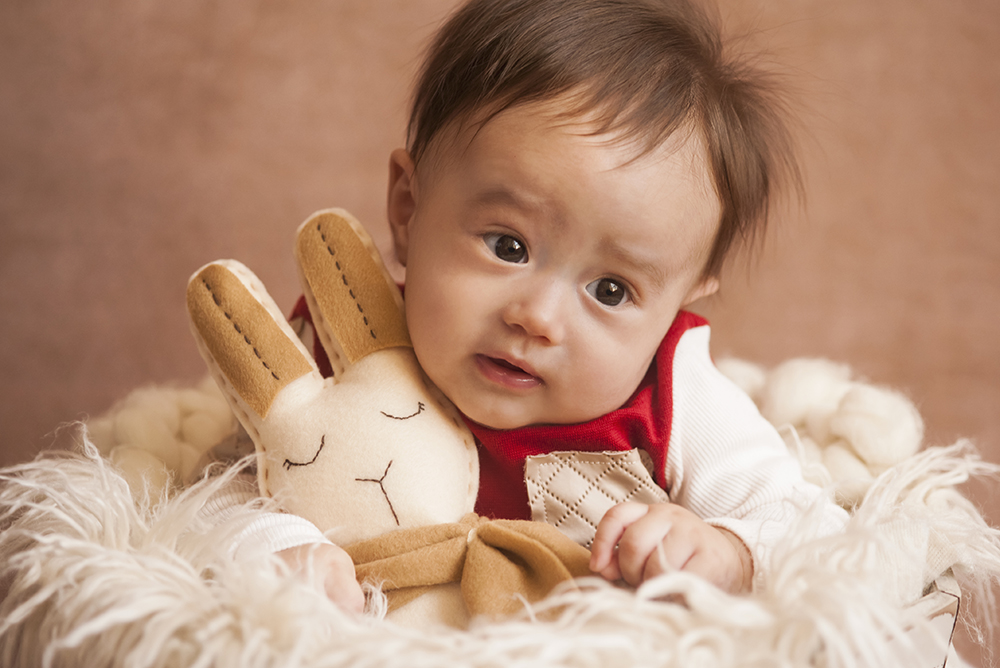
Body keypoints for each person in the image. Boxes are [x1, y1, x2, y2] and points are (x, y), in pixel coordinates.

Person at [210, 0, 847, 612]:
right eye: (508, 246)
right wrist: (280, 550)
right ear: (409, 209)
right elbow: (223, 489)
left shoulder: (677, 396)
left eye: (611, 291)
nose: (536, 318)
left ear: (678, 302)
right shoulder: (341, 349)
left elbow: (806, 527)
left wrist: (728, 554)